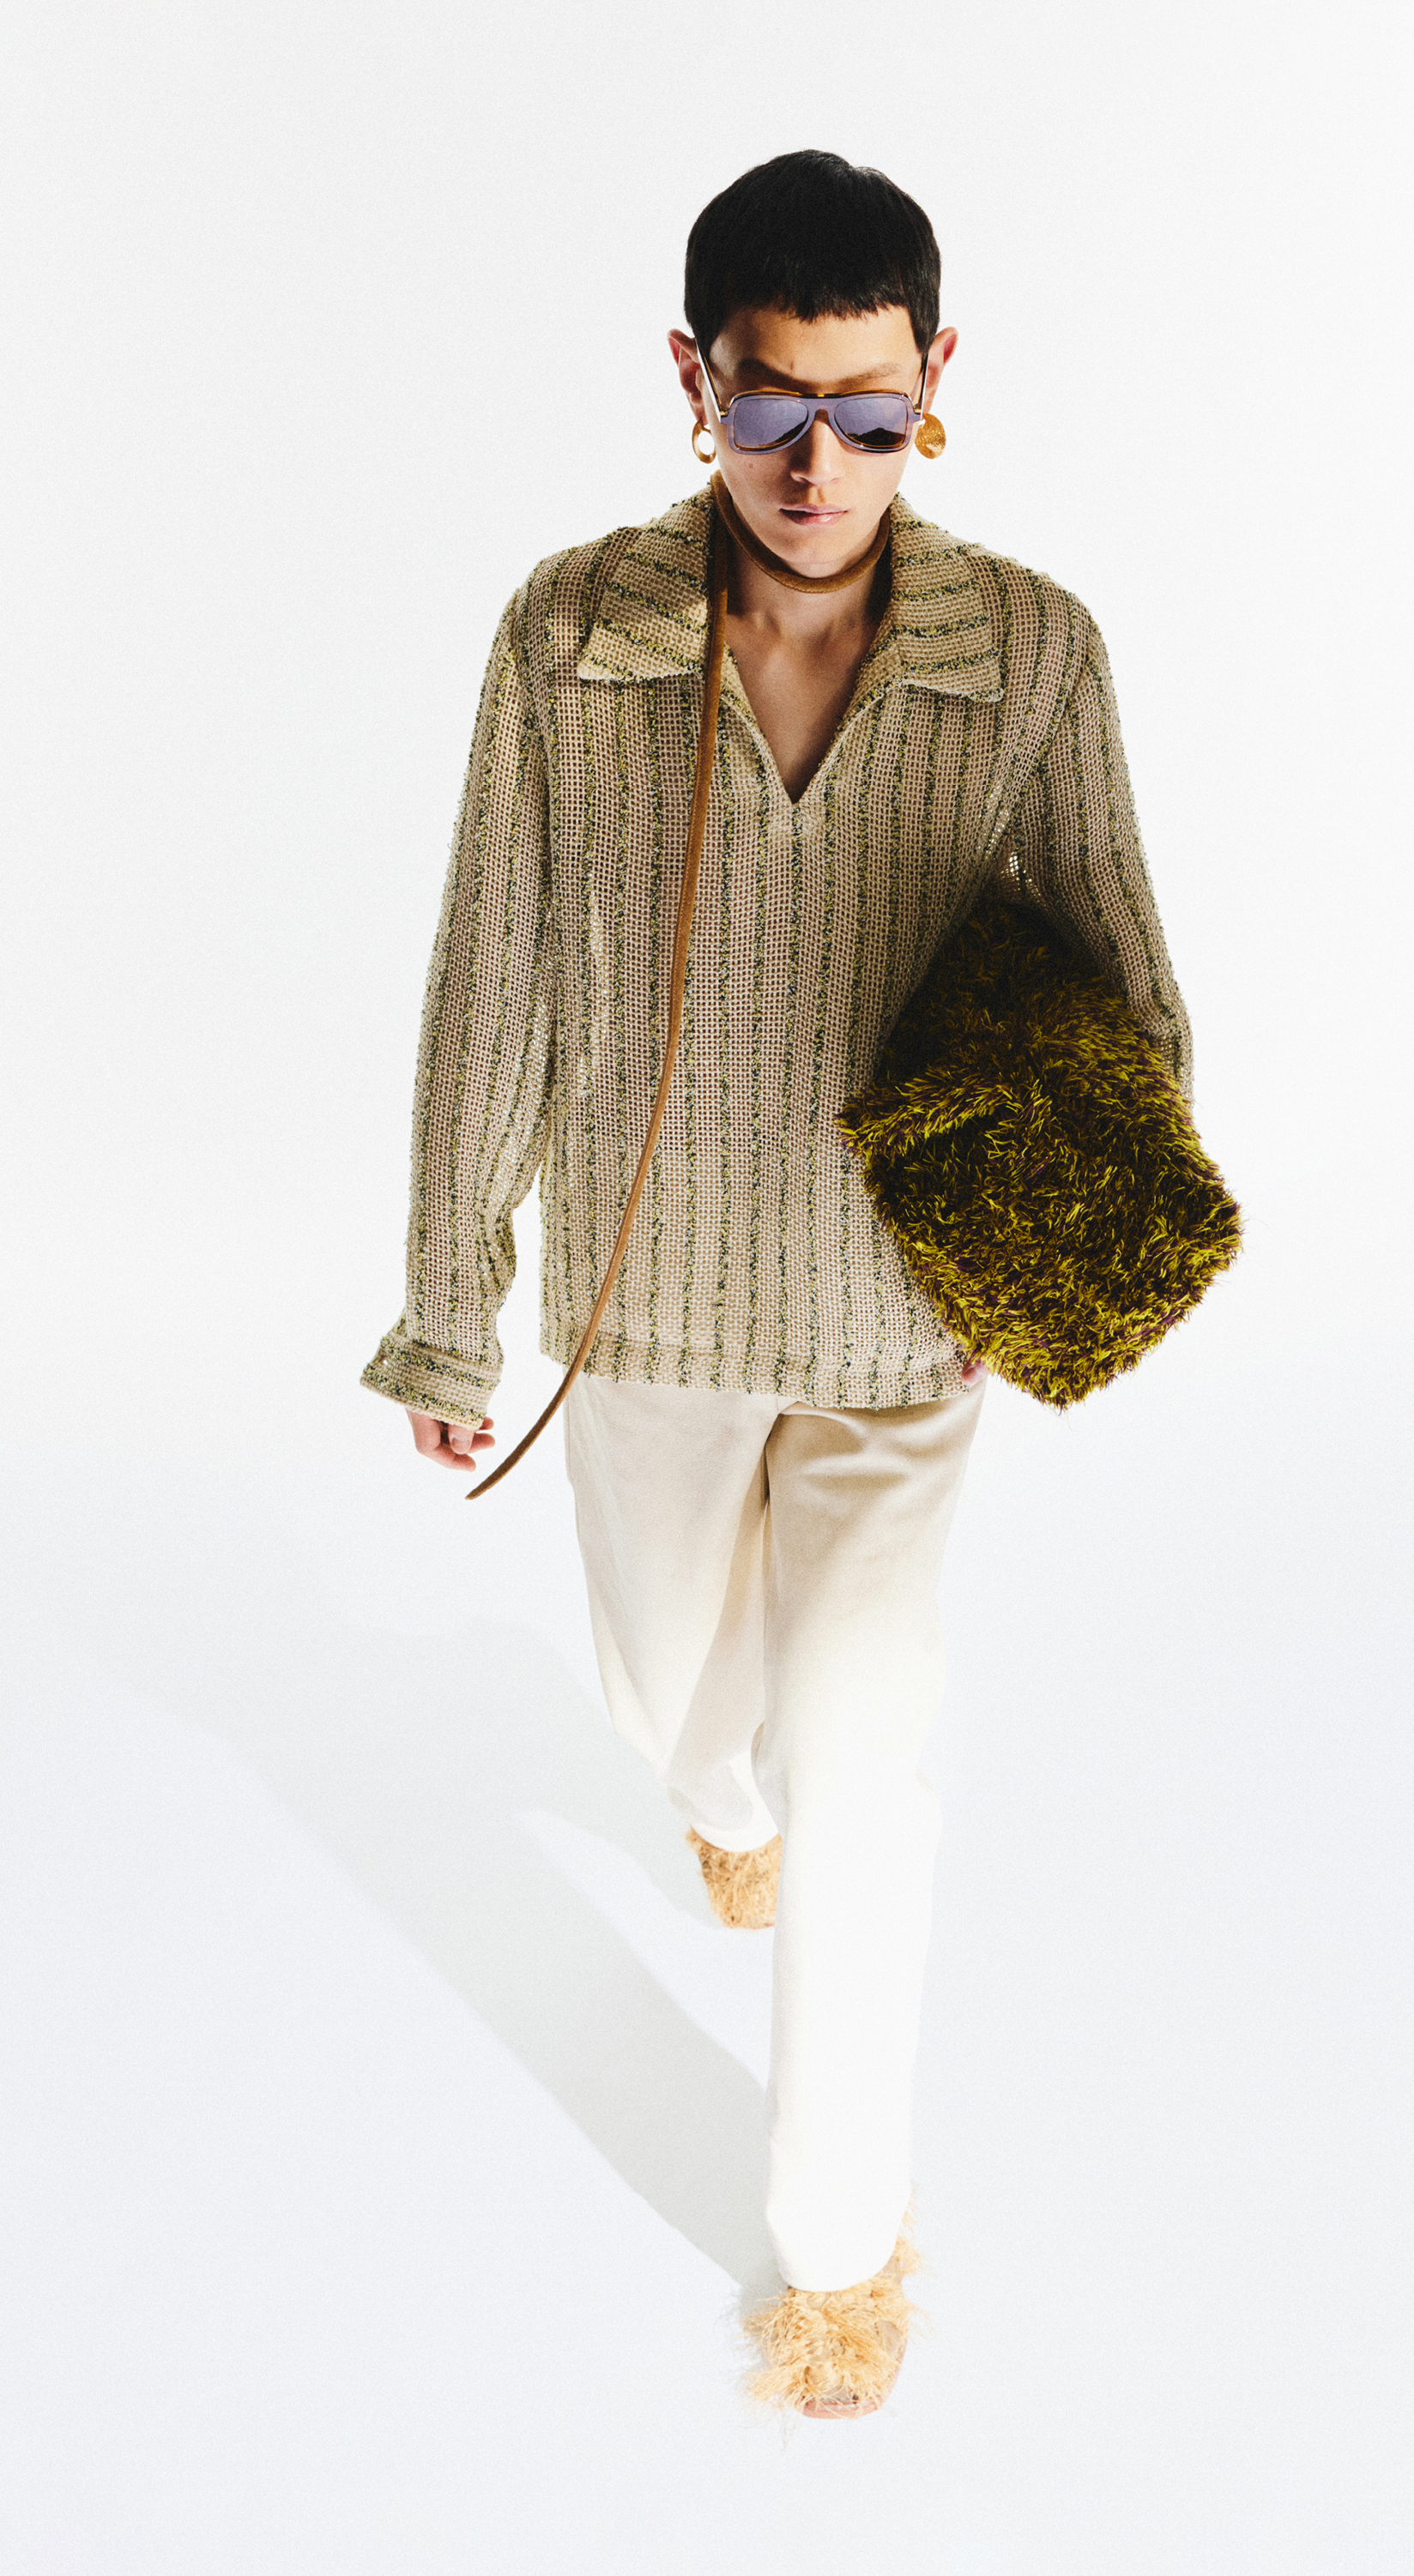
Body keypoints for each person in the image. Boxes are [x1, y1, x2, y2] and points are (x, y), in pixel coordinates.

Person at [361, 149, 1193, 2417]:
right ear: (691, 381)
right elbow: (490, 978)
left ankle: (836, 2260)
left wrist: (1077, 1255)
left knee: (863, 1770)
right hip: (647, 1313)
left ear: (938, 381)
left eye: (869, 410)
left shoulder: (1031, 653)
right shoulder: (570, 636)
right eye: (768, 410)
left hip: (904, 1330)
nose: (818, 467)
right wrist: (448, 1293)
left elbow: (1127, 979)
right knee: (672, 1706)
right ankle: (714, 1802)